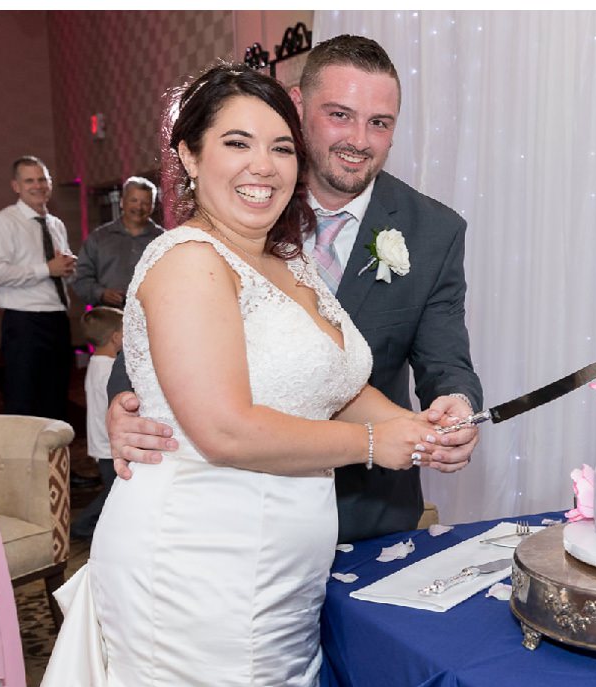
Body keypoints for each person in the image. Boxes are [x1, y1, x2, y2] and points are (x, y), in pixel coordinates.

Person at [6, 64, 455, 687]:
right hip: (193, 565)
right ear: (188, 154)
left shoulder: (287, 260)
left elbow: (336, 385)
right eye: (238, 143)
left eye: (281, 148)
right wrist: (378, 445)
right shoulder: (186, 260)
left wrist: (418, 426)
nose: (263, 166)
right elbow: (223, 427)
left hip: (278, 578)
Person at [108, 35, 483, 542]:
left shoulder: (429, 231)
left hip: (365, 510)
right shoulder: (215, 233)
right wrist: (129, 403)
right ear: (299, 105)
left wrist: (445, 414)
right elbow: (153, 351)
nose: (359, 139)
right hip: (217, 525)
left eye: (379, 123)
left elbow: (438, 359)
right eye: (340, 115)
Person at [0, 156, 77, 420]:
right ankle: (21, 462)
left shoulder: (56, 224)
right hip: (24, 323)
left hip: (58, 320)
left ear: (49, 183)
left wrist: (69, 269)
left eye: (42, 179)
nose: (37, 185)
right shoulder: (2, 223)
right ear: (16, 186)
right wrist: (45, 269)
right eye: (29, 180)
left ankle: (54, 461)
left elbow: (60, 272)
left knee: (56, 399)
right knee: (24, 403)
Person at [70, 308, 123, 539]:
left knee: (114, 490)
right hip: (108, 444)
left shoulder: (96, 363)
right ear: (116, 337)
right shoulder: (110, 368)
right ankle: (83, 527)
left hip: (100, 442)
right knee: (114, 492)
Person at [72, 176, 164, 308]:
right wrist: (101, 294)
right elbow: (80, 278)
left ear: (152, 207)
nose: (139, 207)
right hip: (108, 320)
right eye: (134, 200)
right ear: (122, 202)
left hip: (152, 319)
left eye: (146, 202)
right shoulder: (98, 238)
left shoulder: (163, 241)